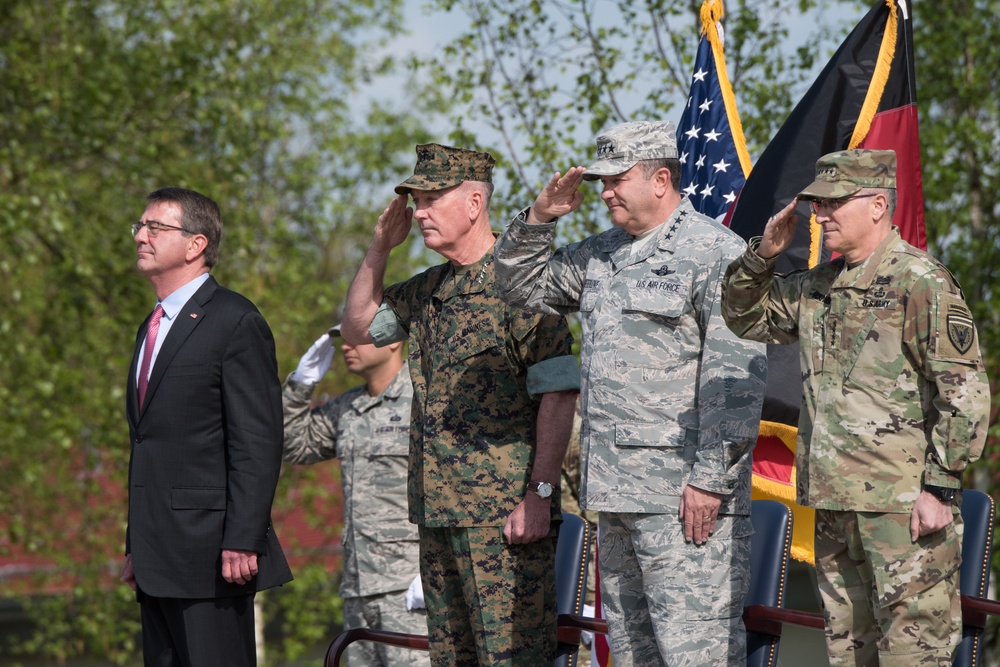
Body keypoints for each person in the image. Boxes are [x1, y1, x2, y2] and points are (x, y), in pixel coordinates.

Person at [494, 120, 768, 666]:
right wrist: (540, 218)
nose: (604, 193)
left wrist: (711, 481)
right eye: (601, 181)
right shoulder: (602, 253)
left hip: (684, 497)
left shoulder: (716, 253)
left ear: (661, 179)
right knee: (634, 653)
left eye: (616, 180)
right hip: (615, 495)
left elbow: (737, 376)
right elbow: (517, 286)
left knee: (697, 654)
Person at [721, 149, 990, 667]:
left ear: (876, 205)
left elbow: (965, 394)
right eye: (817, 204)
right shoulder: (818, 287)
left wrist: (939, 486)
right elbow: (742, 315)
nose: (820, 216)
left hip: (903, 507)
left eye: (833, 203)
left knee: (914, 655)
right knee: (849, 657)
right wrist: (763, 257)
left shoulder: (921, 282)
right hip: (832, 504)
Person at [340, 143, 580, 666]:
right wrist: (379, 248)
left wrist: (539, 495)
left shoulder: (523, 287)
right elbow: (358, 327)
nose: (419, 212)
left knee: (511, 659)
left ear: (474, 203)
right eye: (416, 200)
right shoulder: (427, 290)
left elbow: (559, 396)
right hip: (438, 514)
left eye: (430, 199)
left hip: (506, 520)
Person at [120, 187, 292, 666]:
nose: (141, 236)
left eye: (156, 227)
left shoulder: (234, 321)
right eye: (139, 225)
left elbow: (257, 441)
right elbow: (150, 442)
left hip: (212, 557)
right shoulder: (150, 327)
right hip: (157, 558)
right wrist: (137, 543)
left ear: (196, 244)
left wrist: (243, 536)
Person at [281, 325, 428, 667]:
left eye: (358, 336)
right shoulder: (348, 407)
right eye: (343, 337)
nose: (347, 345)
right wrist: (299, 387)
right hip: (358, 589)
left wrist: (438, 570)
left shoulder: (426, 398)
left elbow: (459, 486)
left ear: (393, 339)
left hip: (410, 587)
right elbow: (294, 446)